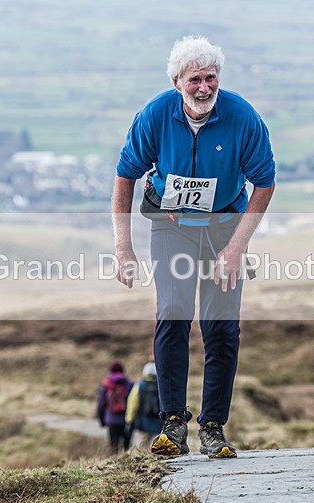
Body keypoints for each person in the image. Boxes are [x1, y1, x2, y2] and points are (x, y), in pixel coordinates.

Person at [112, 35, 275, 459]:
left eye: (211, 78)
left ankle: (213, 428)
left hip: (225, 228)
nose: (204, 88)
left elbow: (265, 182)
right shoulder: (155, 115)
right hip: (173, 227)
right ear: (177, 82)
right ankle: (172, 423)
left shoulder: (242, 117)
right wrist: (123, 247)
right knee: (173, 311)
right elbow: (125, 176)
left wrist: (237, 248)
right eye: (195, 80)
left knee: (221, 327)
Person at [96, 361, 134, 454]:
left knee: (114, 447)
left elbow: (100, 404)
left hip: (112, 420)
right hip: (127, 420)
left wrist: (102, 420)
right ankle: (127, 461)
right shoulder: (129, 384)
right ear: (123, 371)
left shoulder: (106, 385)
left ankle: (114, 461)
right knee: (126, 448)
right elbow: (134, 403)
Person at [125, 362, 164, 448]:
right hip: (158, 423)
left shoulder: (139, 386)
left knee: (141, 446)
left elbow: (133, 405)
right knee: (156, 446)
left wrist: (129, 420)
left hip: (142, 423)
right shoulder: (161, 386)